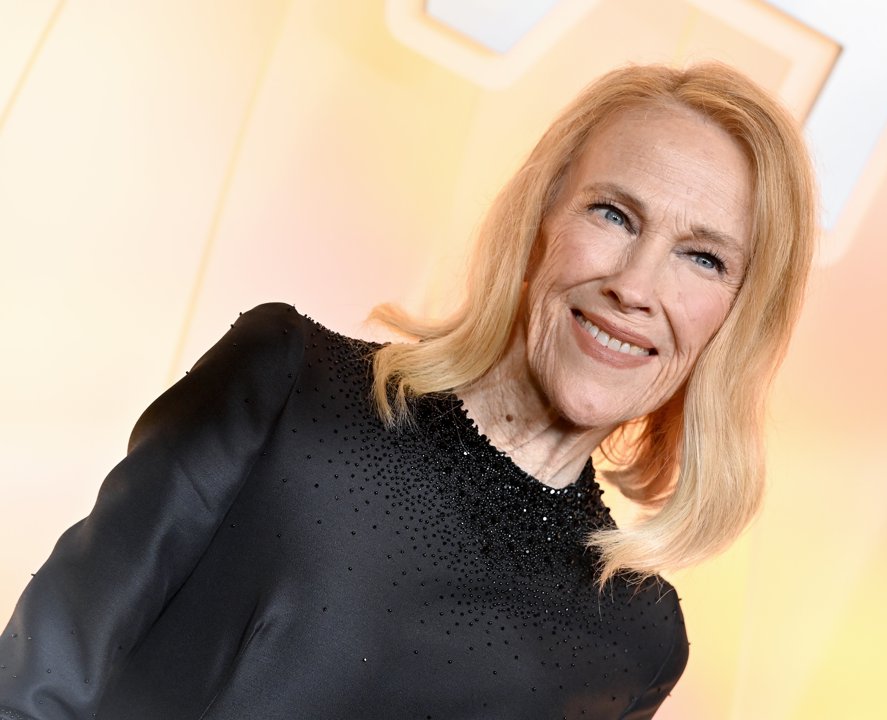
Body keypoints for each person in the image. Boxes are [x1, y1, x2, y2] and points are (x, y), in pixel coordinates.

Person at [0, 62, 815, 719]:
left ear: (736, 320)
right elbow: (40, 679)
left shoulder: (638, 640)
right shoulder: (288, 386)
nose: (635, 286)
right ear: (542, 219)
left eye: (703, 258)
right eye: (613, 215)